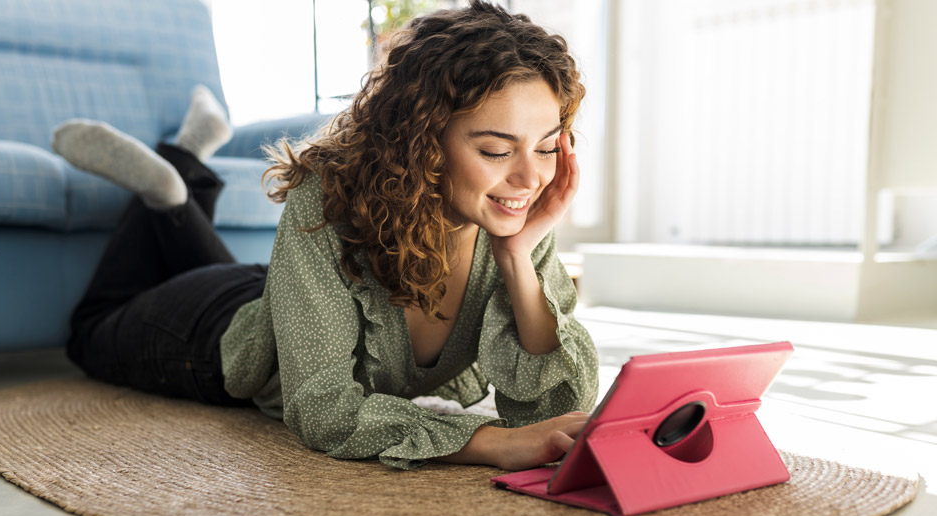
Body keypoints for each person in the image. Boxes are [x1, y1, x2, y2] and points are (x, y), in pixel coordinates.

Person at [56, 0, 599, 472]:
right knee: (88, 331)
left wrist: (516, 256)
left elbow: (557, 411)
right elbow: (324, 409)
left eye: (548, 146)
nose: (531, 178)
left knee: (256, 293)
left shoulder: (516, 215)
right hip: (210, 332)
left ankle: (182, 175)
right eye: (497, 151)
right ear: (423, 143)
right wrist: (488, 443)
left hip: (287, 301)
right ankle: (170, 187)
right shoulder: (326, 196)